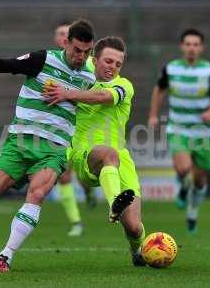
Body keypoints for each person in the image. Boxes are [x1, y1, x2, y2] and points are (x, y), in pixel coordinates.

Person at [0, 19, 100, 272]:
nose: (81, 56)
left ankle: (6, 255)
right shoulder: (42, 60)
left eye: (87, 52)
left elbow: (103, 97)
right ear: (65, 42)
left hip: (54, 148)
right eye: (77, 50)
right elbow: (3, 65)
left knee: (36, 194)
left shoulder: (90, 75)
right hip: (20, 143)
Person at [43, 36, 147, 266]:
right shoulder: (81, 76)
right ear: (94, 59)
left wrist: (68, 93)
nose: (112, 67)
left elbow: (103, 97)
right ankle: (114, 205)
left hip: (122, 159)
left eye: (118, 64)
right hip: (85, 155)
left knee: (134, 227)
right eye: (108, 61)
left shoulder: (124, 86)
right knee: (108, 153)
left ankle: (137, 250)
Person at [148, 28, 210, 233]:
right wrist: (153, 115)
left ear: (201, 47)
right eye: (188, 44)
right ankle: (182, 184)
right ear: (182, 46)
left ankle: (192, 213)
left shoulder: (209, 70)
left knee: (199, 181)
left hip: (203, 133)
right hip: (178, 128)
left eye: (196, 44)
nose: (192, 48)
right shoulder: (171, 68)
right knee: (183, 169)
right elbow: (159, 90)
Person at [53, 21, 96, 237]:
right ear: (63, 41)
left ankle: (88, 191)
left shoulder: (89, 69)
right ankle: (76, 222)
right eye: (60, 33)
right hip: (61, 131)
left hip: (83, 131)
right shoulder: (50, 65)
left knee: (83, 175)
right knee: (63, 175)